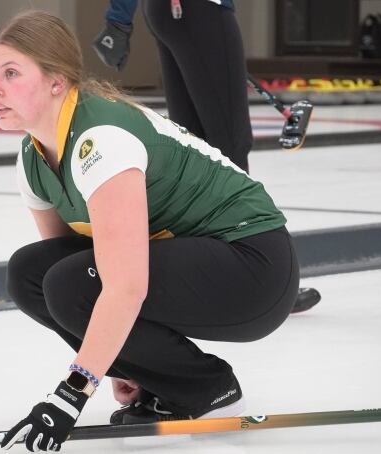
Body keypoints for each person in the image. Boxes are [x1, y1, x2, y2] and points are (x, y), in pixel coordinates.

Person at [0, 10, 299, 452]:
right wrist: (125, 364)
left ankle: (207, 388)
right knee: (31, 273)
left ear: (57, 80)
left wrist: (72, 392)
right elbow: (72, 260)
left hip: (254, 267)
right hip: (196, 260)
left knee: (68, 283)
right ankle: (165, 382)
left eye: (11, 73)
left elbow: (122, 287)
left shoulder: (102, 140)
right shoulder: (33, 157)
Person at [93, 0, 321, 315]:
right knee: (229, 147)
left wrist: (119, 19)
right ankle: (263, 281)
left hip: (166, 12)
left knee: (198, 152)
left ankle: (201, 277)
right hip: (200, 10)